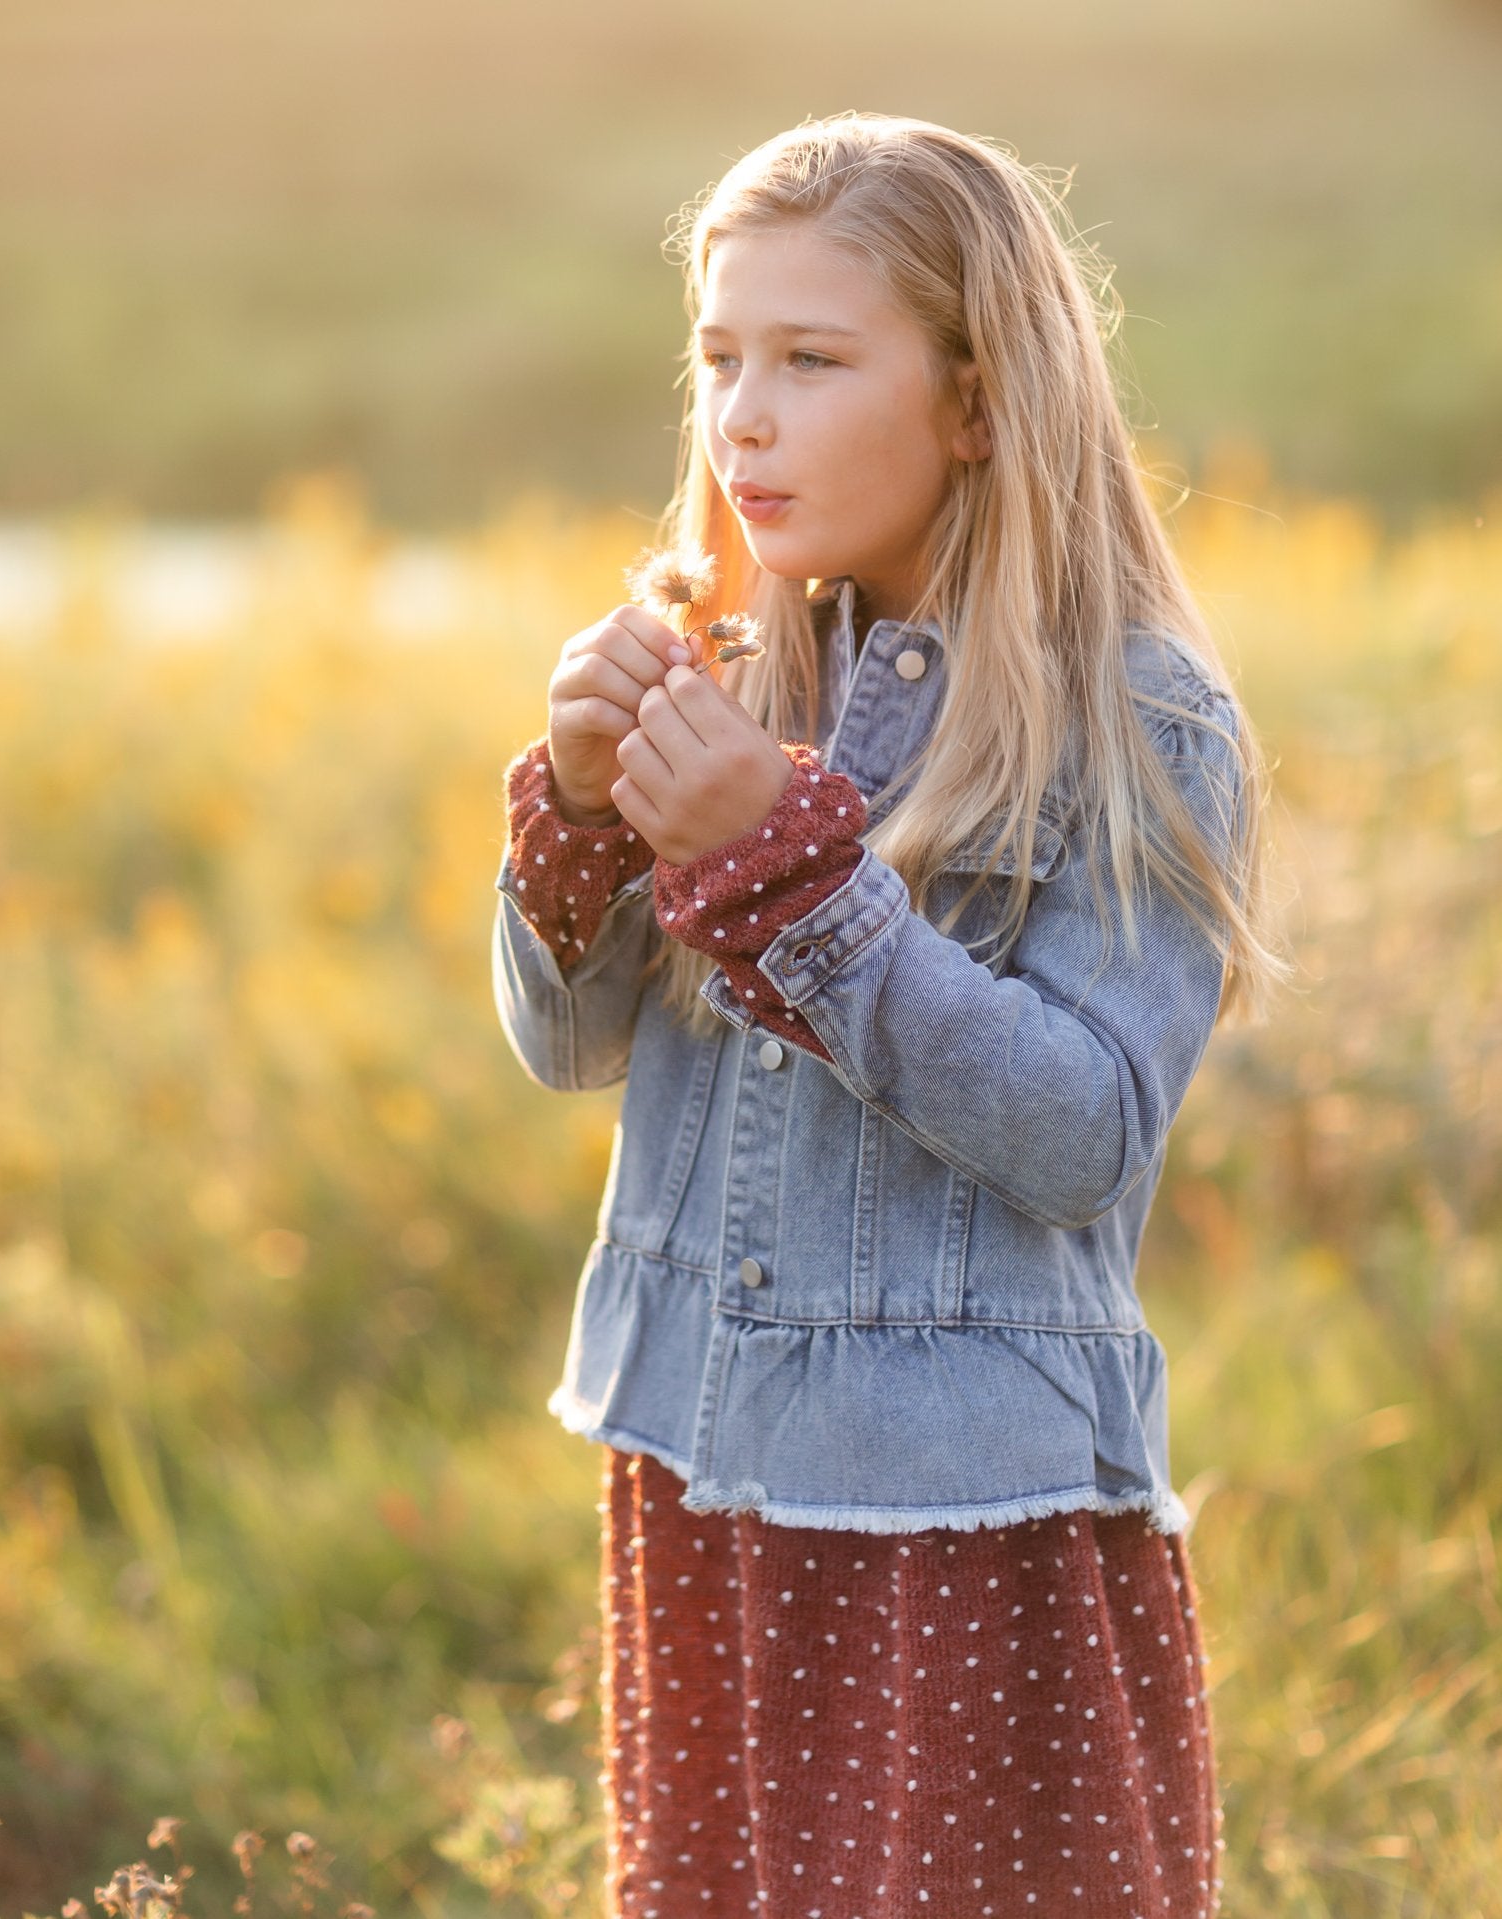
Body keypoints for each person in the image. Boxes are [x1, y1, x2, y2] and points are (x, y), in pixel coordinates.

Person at [491, 114, 1282, 1919]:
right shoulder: (738, 664)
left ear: (979, 402)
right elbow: (569, 1043)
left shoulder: (1132, 725)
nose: (740, 417)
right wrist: (591, 804)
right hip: (709, 1470)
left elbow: (1081, 1133)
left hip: (957, 1527)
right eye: (717, 360)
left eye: (811, 359)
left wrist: (790, 875)